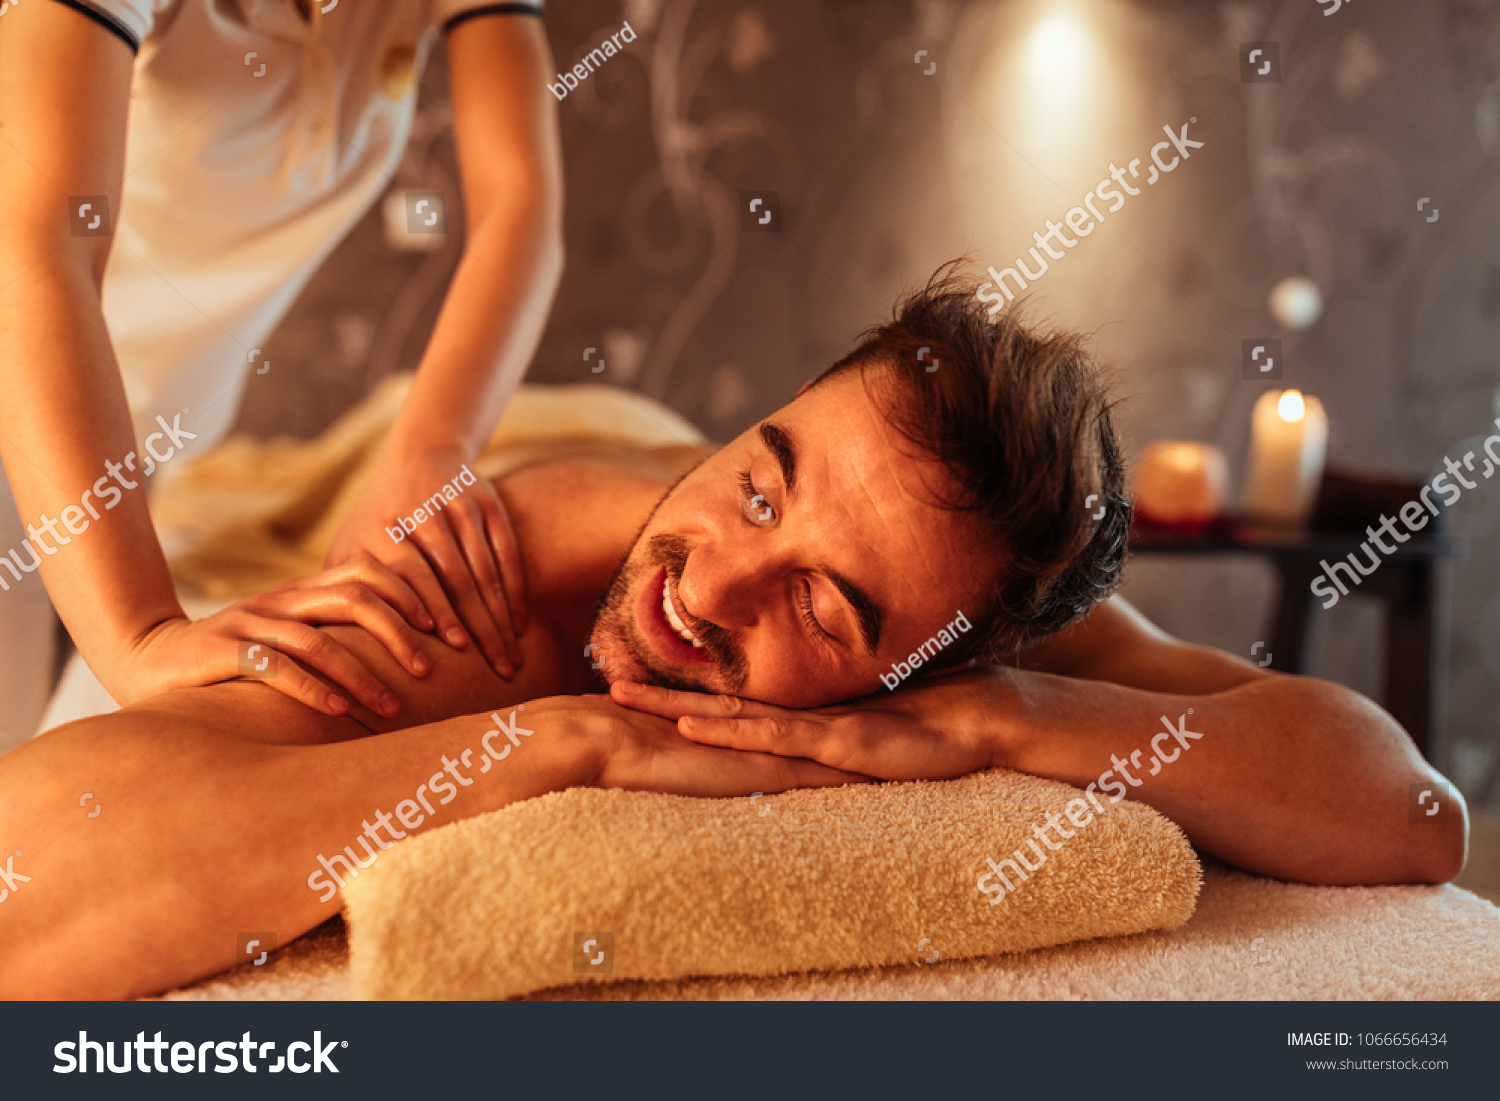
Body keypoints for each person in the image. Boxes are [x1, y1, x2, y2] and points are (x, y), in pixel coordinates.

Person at [0, 271, 1465, 999]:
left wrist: (1005, 721)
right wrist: (559, 740)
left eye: (827, 607)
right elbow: (33, 876)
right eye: (763, 480)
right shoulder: (489, 585)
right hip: (498, 461)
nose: (710, 591)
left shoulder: (975, 641)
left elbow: (1410, 811)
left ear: (939, 656)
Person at [0, 0, 562, 743]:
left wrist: (430, 449)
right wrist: (139, 635)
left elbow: (517, 206)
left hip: (147, 449)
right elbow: (36, 251)